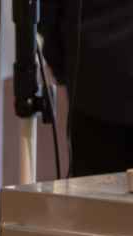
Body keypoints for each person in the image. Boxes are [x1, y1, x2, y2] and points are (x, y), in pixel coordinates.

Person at [40, 0, 133, 176]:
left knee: (94, 190)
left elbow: (46, 17)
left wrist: (67, 72)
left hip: (91, 91)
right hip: (92, 94)